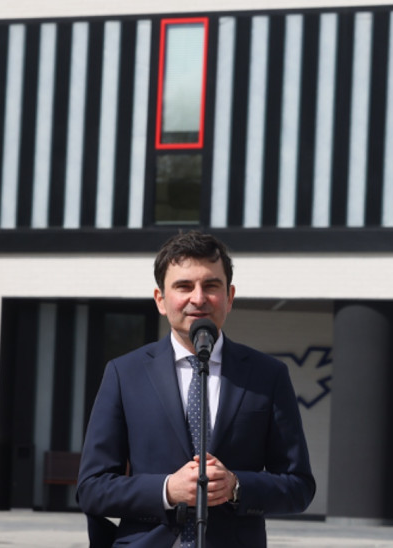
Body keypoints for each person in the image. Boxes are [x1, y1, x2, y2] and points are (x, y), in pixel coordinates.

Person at [77, 231, 316, 547]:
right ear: (160, 299)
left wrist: (236, 486)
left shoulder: (267, 375)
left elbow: (299, 487)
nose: (199, 298)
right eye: (184, 286)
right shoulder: (124, 374)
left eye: (211, 286)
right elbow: (92, 488)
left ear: (229, 297)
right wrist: (166, 490)